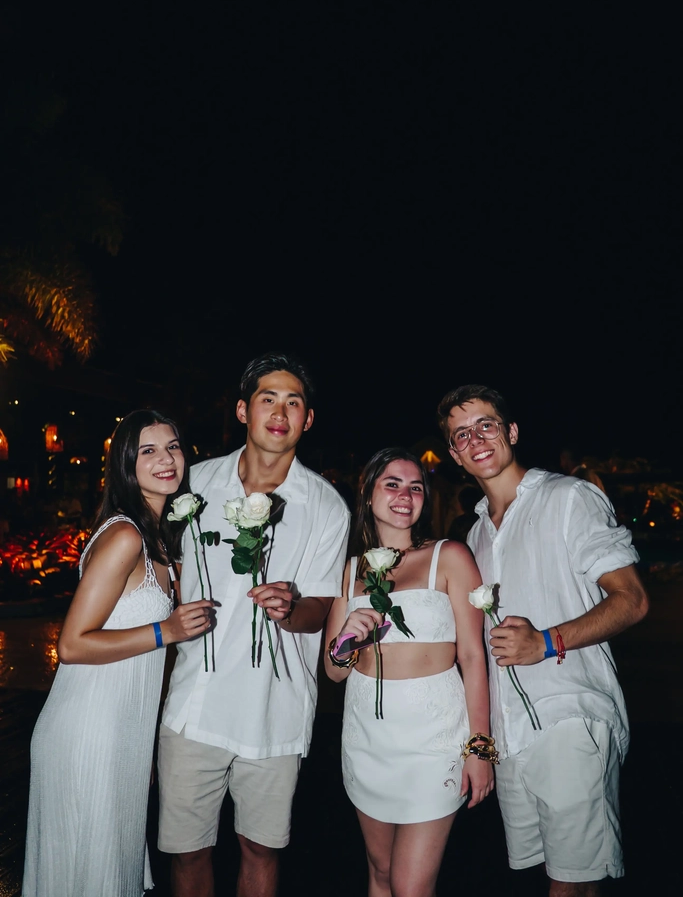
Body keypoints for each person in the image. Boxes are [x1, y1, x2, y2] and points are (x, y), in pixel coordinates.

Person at [437, 385, 649, 897]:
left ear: (511, 432)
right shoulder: (475, 536)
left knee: (571, 882)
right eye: (461, 434)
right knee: (557, 874)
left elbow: (632, 599)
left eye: (486, 425)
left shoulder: (568, 498)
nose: (475, 439)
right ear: (454, 454)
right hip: (511, 732)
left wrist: (547, 642)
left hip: (569, 713)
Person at [158, 353, 350, 897]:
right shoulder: (194, 484)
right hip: (194, 705)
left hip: (276, 708)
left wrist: (291, 608)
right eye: (268, 399)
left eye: (294, 402)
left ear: (308, 419)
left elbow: (320, 608)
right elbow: (160, 567)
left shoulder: (326, 506)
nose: (280, 412)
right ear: (243, 410)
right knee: (188, 850)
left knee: (260, 849)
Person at [23, 410, 214, 897]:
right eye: (148, 451)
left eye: (172, 447)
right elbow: (71, 644)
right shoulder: (125, 536)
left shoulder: (159, 538)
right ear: (125, 465)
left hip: (124, 732)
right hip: (88, 730)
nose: (165, 459)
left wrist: (144, 744)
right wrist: (166, 630)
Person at [324, 447, 494, 897]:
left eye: (415, 487)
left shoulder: (449, 556)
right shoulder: (348, 571)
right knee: (380, 873)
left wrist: (480, 748)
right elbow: (334, 672)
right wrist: (345, 643)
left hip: (434, 743)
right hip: (367, 741)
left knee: (410, 885)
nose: (405, 495)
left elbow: (473, 657)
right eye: (392, 484)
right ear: (368, 493)